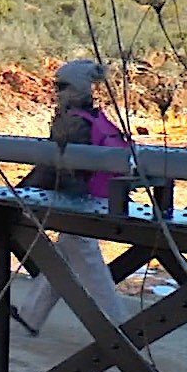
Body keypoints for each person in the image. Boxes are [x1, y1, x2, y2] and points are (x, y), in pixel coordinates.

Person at [11, 59, 129, 336]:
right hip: (98, 197)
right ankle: (31, 315)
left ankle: (120, 326)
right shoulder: (95, 117)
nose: (57, 91)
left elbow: (52, 165)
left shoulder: (71, 122)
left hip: (77, 201)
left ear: (74, 89)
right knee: (64, 258)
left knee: (88, 262)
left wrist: (23, 192)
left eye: (61, 86)